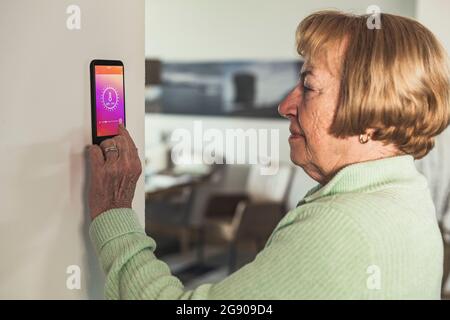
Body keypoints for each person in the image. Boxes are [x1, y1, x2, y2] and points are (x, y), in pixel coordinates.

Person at [88, 11, 450, 299]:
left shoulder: (342, 229)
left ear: (372, 113)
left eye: (308, 86)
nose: (284, 105)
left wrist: (115, 212)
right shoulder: (410, 196)